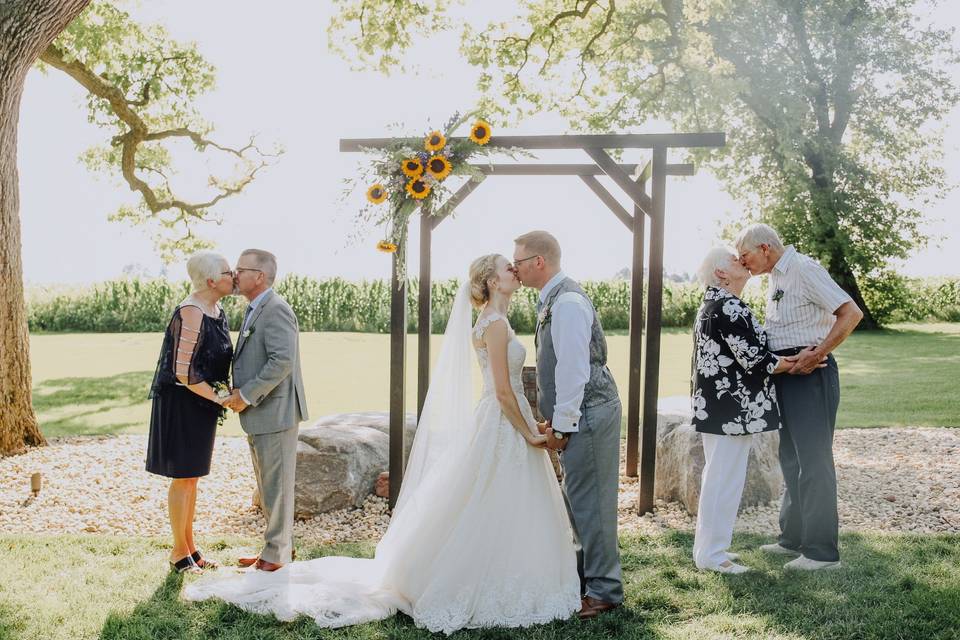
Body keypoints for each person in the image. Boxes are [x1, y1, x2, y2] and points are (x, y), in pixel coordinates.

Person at [184, 253, 581, 633]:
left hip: (505, 422)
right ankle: (486, 577)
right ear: (493, 281)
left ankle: (504, 569)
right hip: (502, 422)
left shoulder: (494, 320)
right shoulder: (494, 323)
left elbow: (507, 389)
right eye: (507, 268)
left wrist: (531, 422)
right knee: (491, 498)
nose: (514, 271)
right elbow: (502, 392)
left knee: (495, 499)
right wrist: (530, 432)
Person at [736, 224, 863, 571]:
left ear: (764, 248)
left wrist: (817, 352)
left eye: (745, 256)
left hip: (813, 375)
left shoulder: (804, 269)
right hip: (788, 375)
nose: (742, 263)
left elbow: (851, 313)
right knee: (791, 457)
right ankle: (792, 539)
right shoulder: (776, 277)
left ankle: (822, 553)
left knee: (814, 460)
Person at [511, 230, 624, 619]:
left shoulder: (569, 303)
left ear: (539, 262)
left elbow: (574, 371)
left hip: (590, 411)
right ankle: (584, 578)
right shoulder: (554, 300)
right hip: (579, 413)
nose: (516, 269)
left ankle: (604, 590)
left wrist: (562, 427)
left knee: (592, 503)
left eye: (520, 262)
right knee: (577, 498)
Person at [690, 246, 801, 574]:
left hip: (722, 408)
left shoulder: (715, 303)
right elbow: (754, 357)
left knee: (723, 478)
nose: (743, 261)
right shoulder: (727, 306)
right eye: (735, 260)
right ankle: (711, 556)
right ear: (722, 273)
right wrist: (797, 362)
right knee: (722, 479)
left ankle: (713, 550)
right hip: (731, 408)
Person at [146, 251, 234, 574]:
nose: (233, 275)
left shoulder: (216, 308)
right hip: (183, 404)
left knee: (193, 479)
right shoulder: (192, 311)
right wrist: (220, 398)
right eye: (227, 272)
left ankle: (191, 549)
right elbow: (183, 372)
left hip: (202, 403)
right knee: (183, 479)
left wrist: (221, 395)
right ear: (211, 280)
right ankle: (178, 552)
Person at [221, 248, 308, 572]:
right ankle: (278, 548)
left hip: (275, 411)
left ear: (259, 276)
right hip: (262, 414)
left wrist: (246, 394)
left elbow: (282, 360)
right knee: (268, 484)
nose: (234, 275)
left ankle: (276, 553)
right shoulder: (255, 308)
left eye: (240, 270)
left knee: (277, 486)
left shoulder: (275, 309)